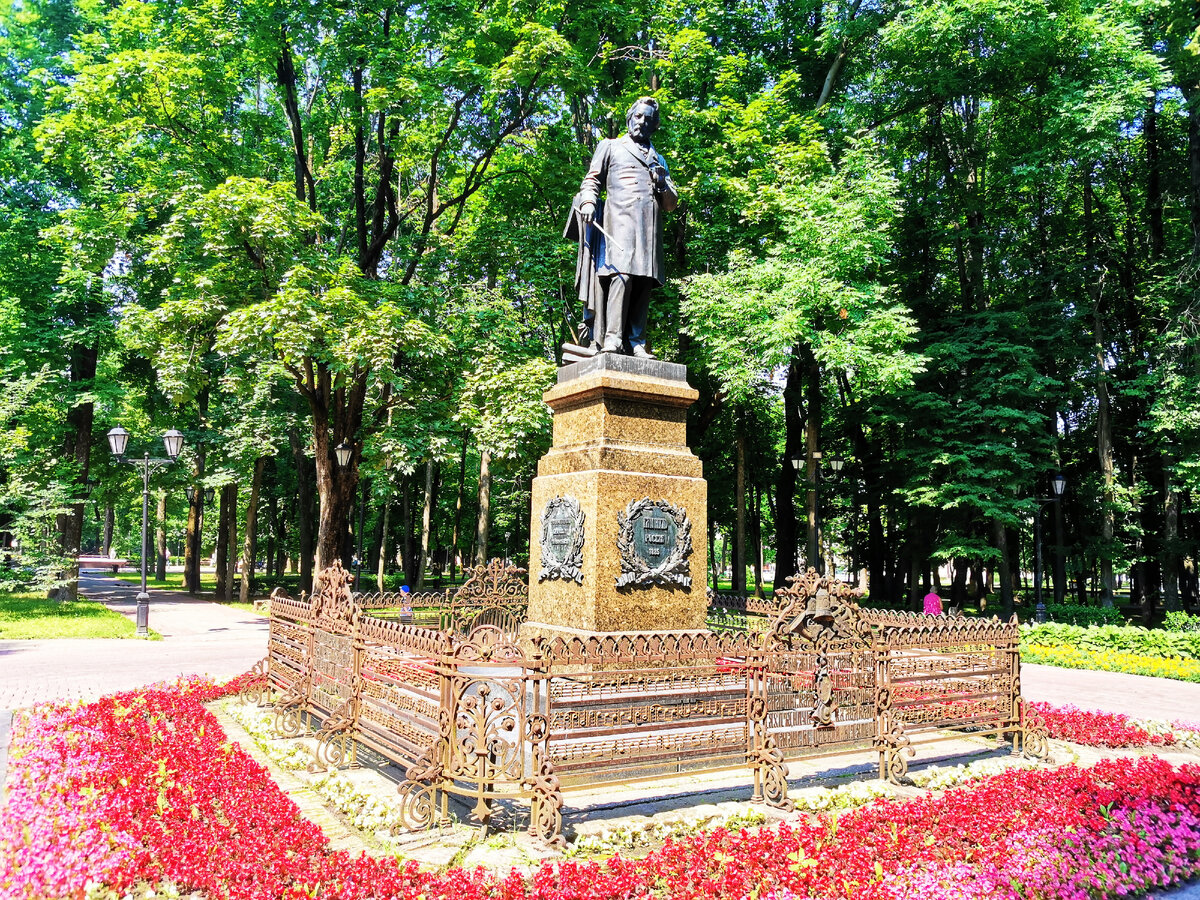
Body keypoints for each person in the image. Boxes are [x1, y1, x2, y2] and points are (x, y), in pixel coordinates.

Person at [564, 97, 678, 357]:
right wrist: (589, 202)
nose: (642, 122)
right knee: (622, 277)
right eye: (638, 117)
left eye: (648, 119)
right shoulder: (610, 146)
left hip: (649, 231)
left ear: (654, 125)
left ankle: (637, 343)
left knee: (644, 281)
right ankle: (613, 339)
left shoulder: (658, 158)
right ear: (629, 119)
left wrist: (661, 183)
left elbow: (670, 204)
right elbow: (591, 180)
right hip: (618, 226)